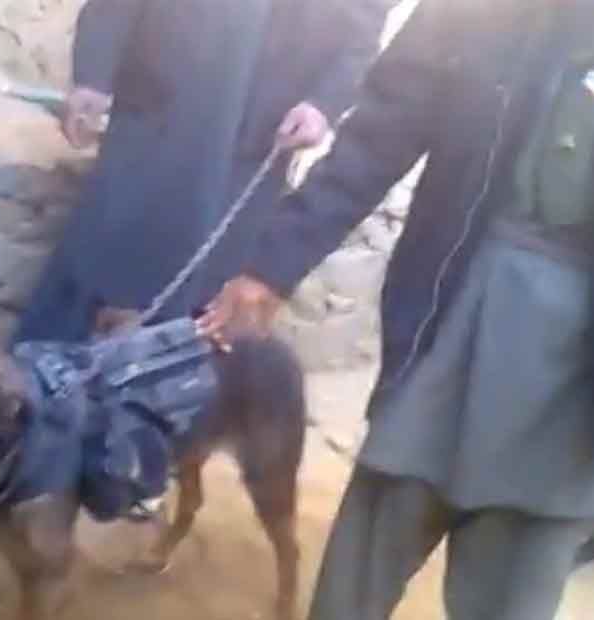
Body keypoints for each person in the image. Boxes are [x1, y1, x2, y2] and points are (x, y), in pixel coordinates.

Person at [199, 0, 594, 617]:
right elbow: (381, 130)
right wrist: (274, 262)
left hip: (570, 385)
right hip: (449, 318)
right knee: (357, 577)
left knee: (516, 586)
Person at [13, 0, 396, 344]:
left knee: (210, 282)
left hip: (258, 125)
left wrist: (324, 103)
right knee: (104, 253)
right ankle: (47, 378)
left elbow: (362, 26)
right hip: (160, 95)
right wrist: (93, 75)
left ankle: (165, 386)